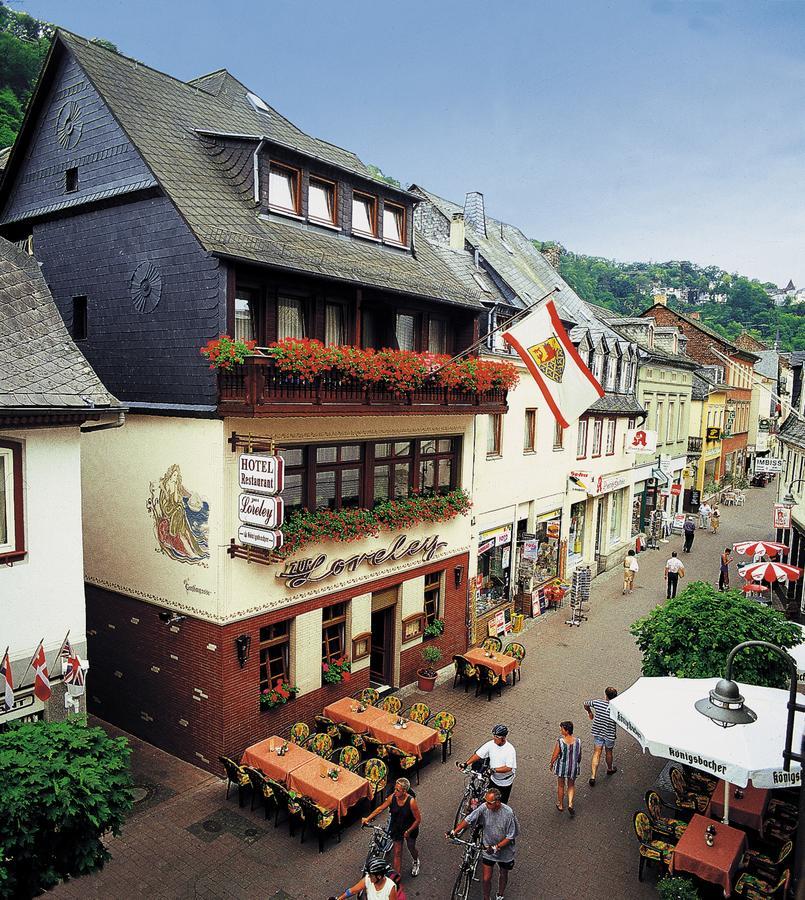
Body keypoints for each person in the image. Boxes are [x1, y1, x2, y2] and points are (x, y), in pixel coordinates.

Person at [448, 788, 519, 900]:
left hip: (505, 851)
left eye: (489, 802)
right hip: (488, 848)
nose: (486, 804)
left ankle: (500, 894)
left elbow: (511, 835)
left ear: (497, 802)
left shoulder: (508, 813)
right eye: (486, 801)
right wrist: (454, 831)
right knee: (486, 879)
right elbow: (469, 819)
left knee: (503, 874)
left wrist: (497, 847)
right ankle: (486, 898)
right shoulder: (485, 807)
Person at [363, 778, 421, 878]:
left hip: (409, 828)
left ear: (404, 791)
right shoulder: (393, 797)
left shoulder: (411, 802)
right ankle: (396, 879)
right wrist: (368, 818)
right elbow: (380, 808)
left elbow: (418, 820)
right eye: (395, 789)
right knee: (397, 852)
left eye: (398, 790)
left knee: (411, 847)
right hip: (397, 827)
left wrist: (408, 831)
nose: (395, 792)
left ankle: (416, 861)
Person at [461, 724, 516, 803]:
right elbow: (478, 755)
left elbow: (508, 768)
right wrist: (466, 763)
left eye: (496, 737)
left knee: (500, 803)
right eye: (494, 736)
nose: (494, 738)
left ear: (503, 738)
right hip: (493, 779)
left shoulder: (510, 750)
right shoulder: (491, 744)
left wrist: (493, 770)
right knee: (488, 800)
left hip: (505, 782)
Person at [584, 688, 618, 786]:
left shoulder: (598, 702)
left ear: (605, 695)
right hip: (610, 734)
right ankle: (610, 768)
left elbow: (585, 703)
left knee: (597, 753)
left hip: (598, 731)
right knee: (609, 752)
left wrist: (589, 712)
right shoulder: (616, 708)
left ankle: (593, 776)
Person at [550, 720, 581, 816]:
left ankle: (560, 804)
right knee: (571, 785)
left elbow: (555, 755)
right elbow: (579, 755)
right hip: (573, 767)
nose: (561, 731)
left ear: (566, 731)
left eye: (562, 729)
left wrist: (551, 763)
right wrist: (577, 763)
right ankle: (570, 804)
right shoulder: (578, 741)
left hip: (562, 768)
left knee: (561, 785)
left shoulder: (560, 742)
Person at [331, 857, 398, 900]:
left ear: (379, 876)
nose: (368, 876)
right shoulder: (368, 879)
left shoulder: (390, 888)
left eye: (371, 875)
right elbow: (353, 890)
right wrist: (339, 898)